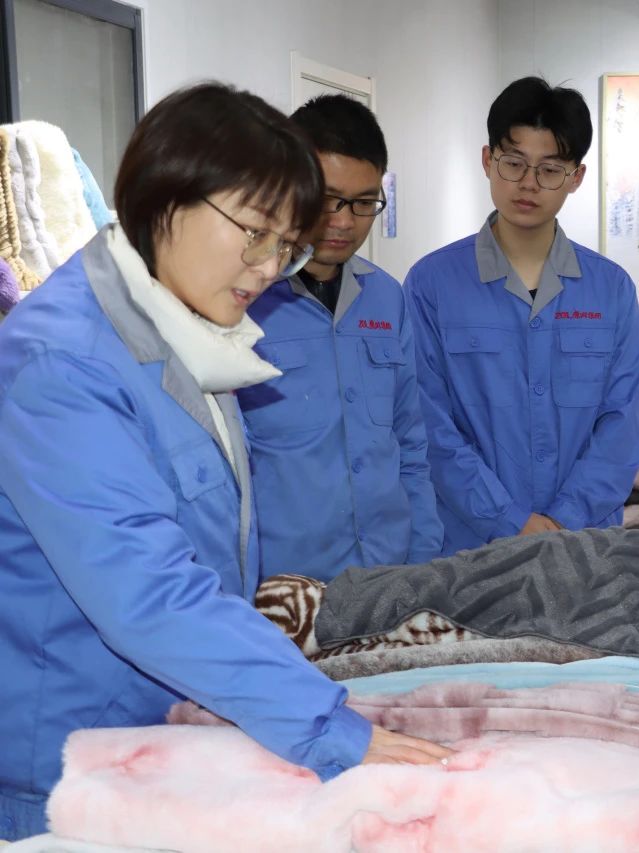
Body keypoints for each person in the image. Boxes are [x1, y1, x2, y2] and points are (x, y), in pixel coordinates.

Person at [0, 83, 449, 842]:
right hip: (66, 769)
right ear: (165, 197)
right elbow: (150, 591)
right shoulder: (61, 364)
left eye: (286, 244)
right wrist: (327, 726)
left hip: (163, 732)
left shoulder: (191, 333)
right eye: (256, 233)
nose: (270, 267)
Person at [404, 76, 639, 555]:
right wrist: (508, 520)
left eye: (550, 169)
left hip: (585, 546)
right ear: (487, 160)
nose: (529, 184)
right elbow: (427, 423)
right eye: (513, 163)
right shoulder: (431, 284)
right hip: (467, 547)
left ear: (576, 177)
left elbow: (620, 428)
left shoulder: (612, 289)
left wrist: (561, 521)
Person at [239, 94, 443, 581]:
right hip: (285, 587)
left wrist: (423, 561)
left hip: (388, 573)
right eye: (328, 198)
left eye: (364, 202)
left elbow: (409, 444)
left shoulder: (387, 298)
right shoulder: (243, 300)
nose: (345, 220)